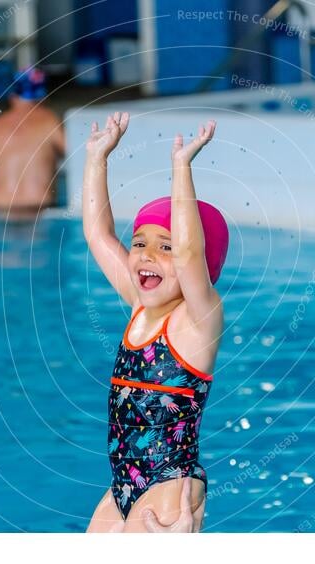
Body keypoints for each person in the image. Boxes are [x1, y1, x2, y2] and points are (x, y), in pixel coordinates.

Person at [83, 112, 229, 533]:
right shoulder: (141, 308)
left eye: (164, 246)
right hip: (122, 486)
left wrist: (180, 169)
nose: (147, 254)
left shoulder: (198, 320)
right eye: (140, 243)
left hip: (169, 482)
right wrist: (97, 158)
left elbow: (188, 255)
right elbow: (97, 233)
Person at [0, 68, 65, 219]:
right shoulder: (50, 122)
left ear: (12, 97)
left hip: (3, 213)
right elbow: (79, 158)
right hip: (40, 211)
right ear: (43, 97)